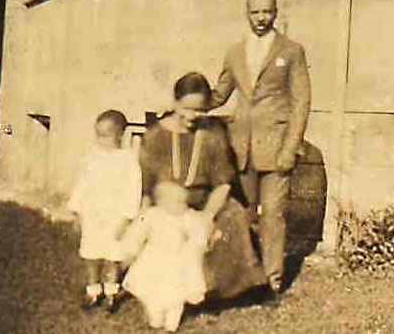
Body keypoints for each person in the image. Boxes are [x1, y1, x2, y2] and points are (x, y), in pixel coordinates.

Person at [209, 0, 312, 292]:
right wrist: (184, 104)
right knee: (241, 215)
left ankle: (271, 281)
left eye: (267, 11)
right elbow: (219, 94)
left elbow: (301, 102)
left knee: (273, 216)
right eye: (255, 12)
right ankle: (243, 278)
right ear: (247, 14)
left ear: (275, 12)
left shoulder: (291, 51)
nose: (261, 18)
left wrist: (290, 148)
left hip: (276, 147)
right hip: (241, 147)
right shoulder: (235, 52)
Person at [139, 72, 266, 300]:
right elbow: (146, 186)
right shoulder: (155, 136)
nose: (193, 116)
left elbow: (223, 184)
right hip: (166, 204)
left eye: (200, 110)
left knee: (233, 215)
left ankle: (221, 291)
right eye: (187, 109)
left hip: (203, 201)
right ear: (175, 103)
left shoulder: (212, 134)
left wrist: (207, 215)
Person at [118, 181, 219, 332]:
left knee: (177, 294)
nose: (183, 206)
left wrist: (204, 240)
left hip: (179, 261)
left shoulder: (188, 217)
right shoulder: (152, 215)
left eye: (184, 202)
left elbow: (199, 233)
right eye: (178, 202)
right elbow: (137, 233)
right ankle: (155, 317)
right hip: (154, 260)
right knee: (152, 294)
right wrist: (129, 249)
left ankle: (172, 323)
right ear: (162, 202)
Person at [68, 110, 142, 312]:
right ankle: (93, 291)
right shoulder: (92, 157)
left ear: (120, 135)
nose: (100, 140)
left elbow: (133, 190)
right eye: (98, 134)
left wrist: (127, 217)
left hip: (115, 216)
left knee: (113, 256)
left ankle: (111, 292)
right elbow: (82, 183)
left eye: (106, 135)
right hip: (92, 213)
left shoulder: (128, 160)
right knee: (91, 253)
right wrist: (77, 211)